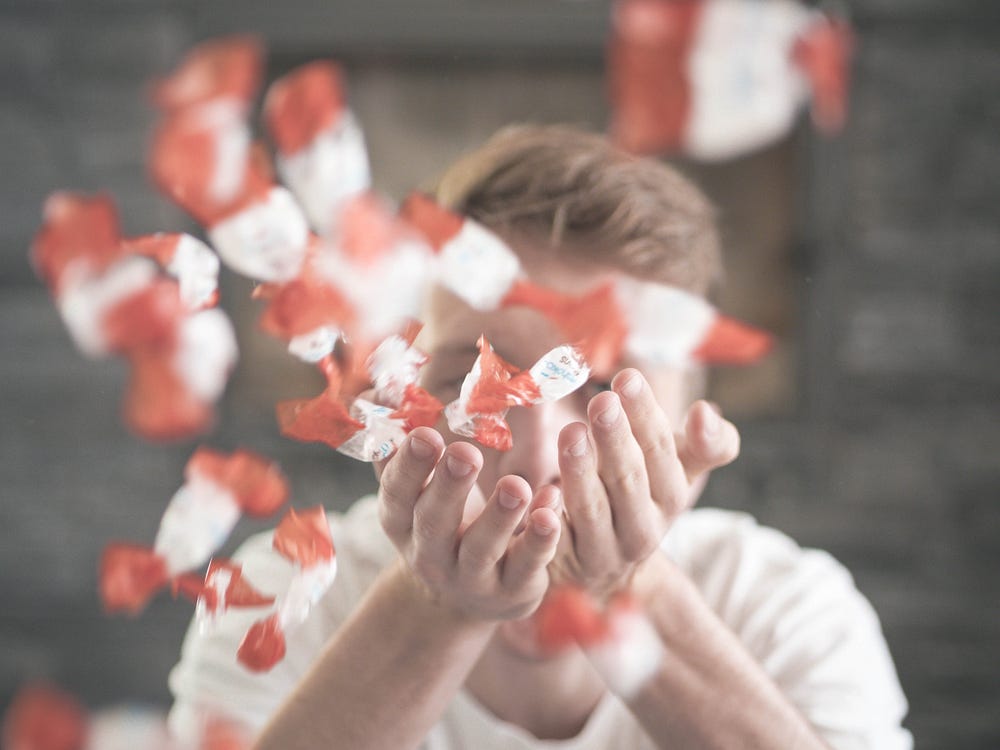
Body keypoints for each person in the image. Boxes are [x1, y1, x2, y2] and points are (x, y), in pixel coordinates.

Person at [168, 125, 912, 749]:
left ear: (694, 415)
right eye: (474, 377)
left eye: (604, 389)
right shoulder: (280, 594)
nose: (532, 454)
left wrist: (628, 586)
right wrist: (439, 604)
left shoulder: (787, 611)